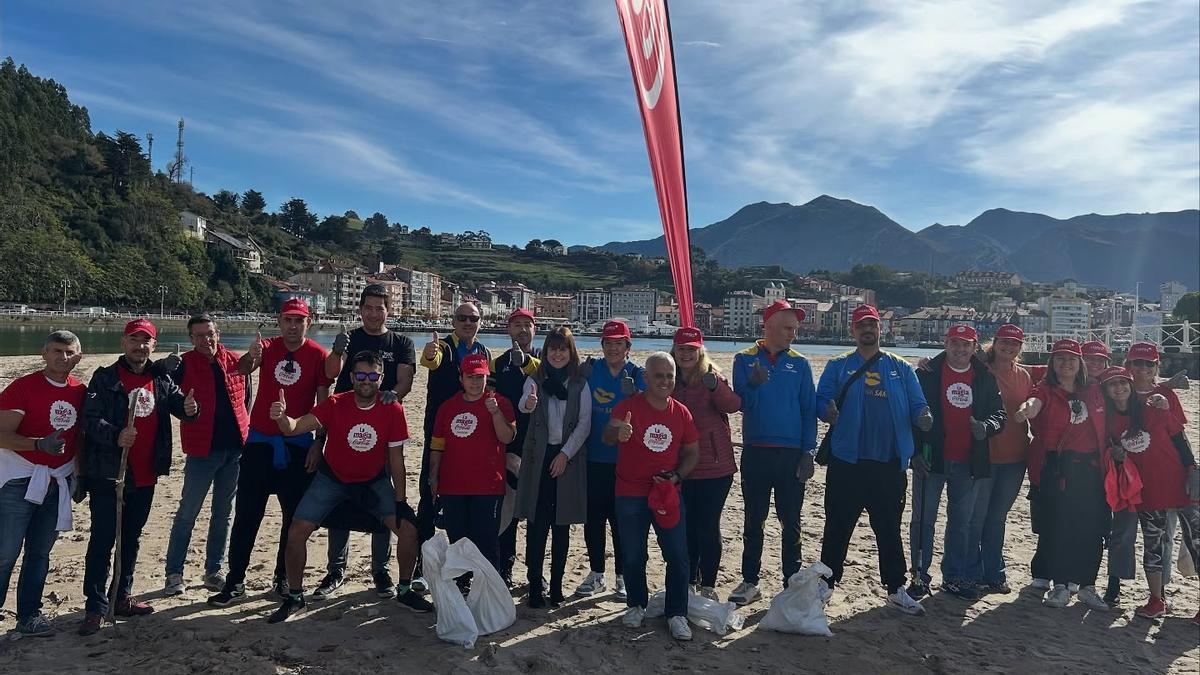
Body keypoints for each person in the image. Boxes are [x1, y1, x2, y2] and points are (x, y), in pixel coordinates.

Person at [266, 351, 433, 622]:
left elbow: (397, 461)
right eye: (361, 375)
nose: (366, 381)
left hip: (373, 481)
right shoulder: (335, 403)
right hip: (332, 479)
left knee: (410, 531)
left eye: (373, 376)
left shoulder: (392, 408)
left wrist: (400, 502)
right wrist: (282, 418)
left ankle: (404, 590)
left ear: (381, 378)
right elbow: (294, 427)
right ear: (353, 377)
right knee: (296, 532)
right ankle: (295, 597)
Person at [209, 298, 333, 607]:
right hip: (260, 443)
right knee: (247, 515)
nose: (293, 325)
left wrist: (319, 442)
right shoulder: (268, 346)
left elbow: (323, 403)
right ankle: (235, 582)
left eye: (299, 320)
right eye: (288, 319)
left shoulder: (318, 355)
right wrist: (251, 357)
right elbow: (242, 368)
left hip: (299, 446)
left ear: (309, 322)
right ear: (279, 321)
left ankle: (281, 578)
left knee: (293, 520)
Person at [79, 319, 199, 635]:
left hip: (146, 475)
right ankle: (94, 607)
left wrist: (189, 407)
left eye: (146, 341)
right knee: (103, 539)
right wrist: (116, 435)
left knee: (130, 539)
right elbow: (89, 421)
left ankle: (122, 597)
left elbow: (180, 407)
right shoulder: (104, 378)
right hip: (109, 474)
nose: (140, 346)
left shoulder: (159, 378)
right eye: (134, 340)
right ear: (124, 343)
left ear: (153, 346)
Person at [817, 305, 931, 616]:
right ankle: (826, 584)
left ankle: (895, 588)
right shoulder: (839, 366)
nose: (867, 329)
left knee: (888, 528)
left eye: (872, 324)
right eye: (861, 325)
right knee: (837, 526)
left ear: (880, 329)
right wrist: (827, 410)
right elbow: (821, 399)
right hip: (847, 461)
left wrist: (923, 416)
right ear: (852, 331)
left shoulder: (901, 367)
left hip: (889, 463)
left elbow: (918, 403)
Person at [315, 285, 416, 601]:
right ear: (361, 310)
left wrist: (393, 395)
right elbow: (329, 377)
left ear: (389, 310)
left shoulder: (401, 342)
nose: (374, 313)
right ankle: (336, 569)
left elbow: (405, 380)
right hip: (344, 429)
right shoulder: (352, 338)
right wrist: (337, 351)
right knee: (341, 496)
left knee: (382, 497)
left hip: (382, 431)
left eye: (380, 308)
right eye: (369, 308)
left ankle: (380, 570)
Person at [606, 352, 699, 642]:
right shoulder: (629, 406)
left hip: (667, 493)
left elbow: (692, 452)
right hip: (630, 492)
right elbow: (607, 435)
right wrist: (619, 432)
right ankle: (636, 604)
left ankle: (676, 613)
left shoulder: (681, 412)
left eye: (670, 375)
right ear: (645, 378)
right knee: (633, 556)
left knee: (677, 555)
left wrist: (678, 476)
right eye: (658, 375)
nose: (665, 381)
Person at [728, 300, 817, 605]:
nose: (793, 333)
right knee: (754, 520)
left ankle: (791, 580)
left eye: (795, 328)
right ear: (768, 326)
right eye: (787, 328)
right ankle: (750, 581)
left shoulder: (801, 364)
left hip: (791, 454)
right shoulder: (743, 359)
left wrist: (808, 452)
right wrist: (752, 385)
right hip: (756, 451)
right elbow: (741, 404)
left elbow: (808, 410)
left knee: (790, 520)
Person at [908, 325, 1005, 601]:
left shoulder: (985, 376)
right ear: (945, 343)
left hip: (968, 462)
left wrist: (985, 427)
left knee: (961, 523)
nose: (960, 350)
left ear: (975, 347)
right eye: (955, 343)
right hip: (931, 459)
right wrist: (914, 453)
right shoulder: (927, 373)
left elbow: (1000, 414)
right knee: (923, 520)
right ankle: (919, 575)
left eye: (966, 344)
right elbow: (911, 415)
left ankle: (954, 576)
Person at [1013, 339, 1110, 610]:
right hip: (1058, 467)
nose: (1066, 363)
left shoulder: (1093, 388)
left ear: (1080, 363)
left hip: (1091, 468)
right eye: (1060, 358)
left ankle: (1087, 586)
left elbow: (1126, 389)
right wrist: (1027, 409)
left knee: (1092, 528)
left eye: (1072, 359)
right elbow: (1033, 400)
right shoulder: (1045, 389)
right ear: (1052, 363)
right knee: (1059, 526)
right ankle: (1060, 585)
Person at [1099, 366, 1200, 624]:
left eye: (1123, 382)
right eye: (1112, 384)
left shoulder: (1154, 407)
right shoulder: (1108, 421)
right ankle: (1156, 600)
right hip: (1147, 491)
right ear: (1106, 390)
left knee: (1196, 543)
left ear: (1131, 385)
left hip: (1180, 485)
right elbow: (1110, 450)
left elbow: (1180, 438)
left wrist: (1193, 470)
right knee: (1153, 546)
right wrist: (1115, 455)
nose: (1119, 388)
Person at [0, 331, 85, 637]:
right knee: (5, 552)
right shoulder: (23, 387)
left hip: (57, 482)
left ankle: (29, 615)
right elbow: (1, 433)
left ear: (79, 356)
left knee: (39, 553)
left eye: (69, 352)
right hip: (19, 481)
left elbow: (80, 440)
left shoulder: (81, 391)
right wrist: (38, 445)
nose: (63, 357)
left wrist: (79, 476)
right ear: (44, 353)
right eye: (57, 351)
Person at [162, 314, 249, 596]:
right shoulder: (184, 364)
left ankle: (214, 571)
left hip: (234, 451)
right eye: (199, 335)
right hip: (202, 451)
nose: (205, 339)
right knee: (188, 514)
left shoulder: (234, 360)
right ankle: (174, 574)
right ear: (191, 338)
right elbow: (166, 394)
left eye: (209, 333)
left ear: (218, 333)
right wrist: (165, 368)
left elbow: (246, 397)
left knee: (223, 514)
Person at [514, 327, 590, 607]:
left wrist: (565, 455)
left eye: (563, 349)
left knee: (561, 527)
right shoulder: (536, 379)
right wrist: (528, 402)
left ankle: (556, 586)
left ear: (571, 352)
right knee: (536, 525)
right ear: (545, 353)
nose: (557, 354)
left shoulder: (580, 384)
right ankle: (535, 586)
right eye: (552, 349)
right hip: (539, 459)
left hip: (567, 459)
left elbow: (584, 424)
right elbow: (524, 402)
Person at [417, 302, 491, 582]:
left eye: (473, 318)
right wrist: (428, 354)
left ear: (480, 322)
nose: (468, 322)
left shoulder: (482, 351)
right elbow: (430, 361)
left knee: (463, 499)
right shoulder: (443, 348)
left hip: (470, 437)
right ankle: (421, 567)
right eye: (462, 318)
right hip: (439, 432)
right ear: (453, 321)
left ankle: (464, 563)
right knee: (430, 496)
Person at [428, 353, 516, 576]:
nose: (475, 382)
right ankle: (462, 585)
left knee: (486, 543)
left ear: (487, 378)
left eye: (480, 377)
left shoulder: (501, 403)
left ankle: (489, 589)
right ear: (461, 378)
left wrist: (495, 412)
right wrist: (433, 478)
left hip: (488, 487)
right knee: (458, 543)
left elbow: (507, 437)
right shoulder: (447, 407)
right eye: (470, 377)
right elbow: (437, 447)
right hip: (453, 486)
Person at [669, 327, 740, 601]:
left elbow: (733, 405)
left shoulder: (712, 376)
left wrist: (716, 386)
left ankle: (708, 584)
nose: (686, 354)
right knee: (686, 525)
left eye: (691, 349)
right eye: (682, 349)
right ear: (675, 351)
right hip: (682, 466)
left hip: (715, 466)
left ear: (700, 351)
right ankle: (689, 580)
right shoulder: (670, 380)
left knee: (708, 526)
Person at [575, 320, 644, 599]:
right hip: (593, 457)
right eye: (608, 343)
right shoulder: (592, 371)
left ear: (628, 347)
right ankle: (597, 573)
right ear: (602, 346)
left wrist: (637, 395)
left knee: (621, 520)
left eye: (619, 343)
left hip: (625, 461)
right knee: (593, 519)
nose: (613, 348)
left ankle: (622, 576)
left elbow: (653, 408)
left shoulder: (637, 373)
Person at [969, 324, 1034, 595]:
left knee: (997, 517)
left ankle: (994, 573)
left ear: (1021, 348)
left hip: (1016, 457)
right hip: (984, 454)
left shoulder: (1025, 375)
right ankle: (971, 572)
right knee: (977, 516)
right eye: (1004, 342)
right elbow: (950, 363)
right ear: (994, 343)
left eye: (1014, 343)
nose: (1009, 347)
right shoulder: (980, 369)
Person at [490, 307, 543, 587]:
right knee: (508, 510)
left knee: (538, 512)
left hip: (542, 446)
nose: (522, 330)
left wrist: (528, 364)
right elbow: (490, 399)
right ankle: (505, 568)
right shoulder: (499, 364)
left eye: (527, 325)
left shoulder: (547, 358)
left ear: (535, 329)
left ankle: (536, 571)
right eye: (517, 325)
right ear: (508, 329)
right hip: (510, 444)